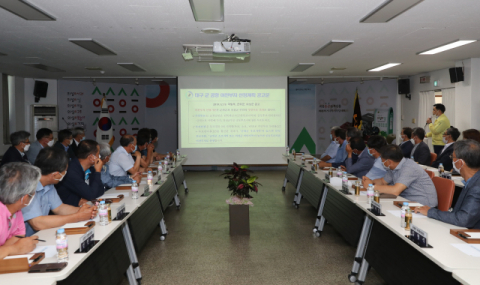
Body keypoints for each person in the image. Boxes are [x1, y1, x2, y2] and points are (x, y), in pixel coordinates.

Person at [22, 147, 97, 237]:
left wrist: (84, 211)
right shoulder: (26, 186)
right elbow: (37, 223)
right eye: (65, 171)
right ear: (54, 175)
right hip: (22, 241)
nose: (66, 173)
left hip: (41, 236)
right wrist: (77, 217)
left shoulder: (48, 183)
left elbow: (60, 208)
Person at [416, 140, 480, 228]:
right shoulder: (473, 179)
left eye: (452, 157)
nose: (452, 160)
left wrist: (430, 212)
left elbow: (463, 219)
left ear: (460, 162)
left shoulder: (477, 187)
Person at [363, 145, 438, 207]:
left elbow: (395, 191)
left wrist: (371, 187)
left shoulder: (408, 168)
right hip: (406, 201)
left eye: (382, 161)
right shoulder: (394, 166)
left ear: (389, 162)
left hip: (424, 204)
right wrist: (369, 181)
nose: (382, 163)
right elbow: (382, 181)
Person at [0, 163, 40, 259]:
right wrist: (13, 249)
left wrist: (7, 250)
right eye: (33, 192)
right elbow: (13, 246)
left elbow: (18, 235)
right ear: (24, 198)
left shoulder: (16, 210)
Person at [55, 140, 105, 206]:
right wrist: (98, 172)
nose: (99, 157)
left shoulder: (91, 169)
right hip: (65, 210)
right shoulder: (71, 171)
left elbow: (100, 190)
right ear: (91, 157)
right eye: (98, 154)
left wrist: (88, 195)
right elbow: (92, 195)